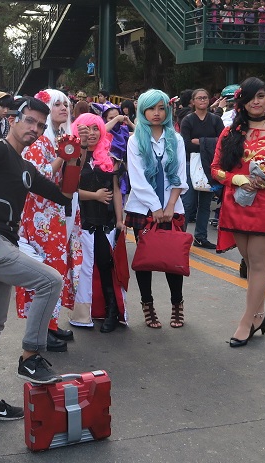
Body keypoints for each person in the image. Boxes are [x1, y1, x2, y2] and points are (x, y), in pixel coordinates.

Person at [0, 96, 76, 423]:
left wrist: (76, 155)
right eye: (28, 121)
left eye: (39, 124)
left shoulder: (25, 167)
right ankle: (31, 355)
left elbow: (62, 195)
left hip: (2, 246)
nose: (33, 128)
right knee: (50, 280)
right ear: (12, 119)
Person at [211, 77, 265, 347]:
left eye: (260, 96)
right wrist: (237, 180)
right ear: (242, 102)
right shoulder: (230, 133)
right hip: (235, 204)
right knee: (249, 263)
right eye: (250, 98)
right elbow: (215, 168)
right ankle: (259, 316)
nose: (256, 102)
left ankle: (246, 322)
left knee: (258, 265)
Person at [16, 89, 76, 351]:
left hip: (54, 215)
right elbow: (38, 177)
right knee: (46, 270)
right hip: (39, 216)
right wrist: (64, 157)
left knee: (58, 268)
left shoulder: (59, 138)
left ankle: (50, 324)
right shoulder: (39, 142)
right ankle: (42, 328)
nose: (63, 108)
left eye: (66, 104)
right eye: (57, 104)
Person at [124, 89, 188, 329]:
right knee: (146, 260)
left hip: (173, 207)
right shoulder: (135, 139)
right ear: (142, 111)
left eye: (161, 108)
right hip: (143, 209)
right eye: (151, 108)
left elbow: (180, 175)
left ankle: (177, 305)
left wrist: (170, 205)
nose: (157, 113)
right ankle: (147, 306)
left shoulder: (176, 138)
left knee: (174, 258)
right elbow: (137, 178)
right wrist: (155, 207)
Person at [69, 113, 127, 332]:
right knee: (81, 269)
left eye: (95, 129)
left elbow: (117, 192)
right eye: (86, 129)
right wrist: (94, 196)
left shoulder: (110, 156)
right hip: (80, 220)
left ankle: (112, 311)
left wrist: (120, 220)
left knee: (105, 264)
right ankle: (82, 313)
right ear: (77, 130)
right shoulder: (72, 155)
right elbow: (68, 190)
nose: (91, 134)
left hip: (106, 220)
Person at [179, 88, 226, 249]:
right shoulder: (188, 120)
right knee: (188, 202)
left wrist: (201, 141)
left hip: (210, 164)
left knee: (205, 204)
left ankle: (200, 237)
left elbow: (222, 141)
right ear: (193, 101)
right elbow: (185, 144)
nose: (203, 100)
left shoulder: (215, 120)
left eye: (205, 97)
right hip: (190, 163)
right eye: (199, 98)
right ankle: (180, 237)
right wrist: (208, 143)